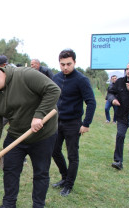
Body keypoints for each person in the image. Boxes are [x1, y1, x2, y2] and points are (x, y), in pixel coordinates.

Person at [0, 62, 60, 208]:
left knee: (41, 172)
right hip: (16, 135)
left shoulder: (25, 75)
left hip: (43, 135)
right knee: (10, 169)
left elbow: (54, 90)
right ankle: (9, 205)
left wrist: (39, 114)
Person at [51, 49, 96, 197]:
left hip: (73, 122)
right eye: (62, 64)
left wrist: (86, 123)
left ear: (74, 62)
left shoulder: (81, 80)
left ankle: (69, 185)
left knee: (72, 155)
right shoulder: (56, 78)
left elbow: (91, 102)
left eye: (68, 64)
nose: (65, 67)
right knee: (54, 150)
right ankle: (64, 177)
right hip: (57, 121)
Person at [107, 62, 129, 170]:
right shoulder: (120, 82)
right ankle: (118, 160)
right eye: (127, 69)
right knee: (120, 135)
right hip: (122, 114)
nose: (128, 71)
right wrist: (113, 100)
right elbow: (109, 93)